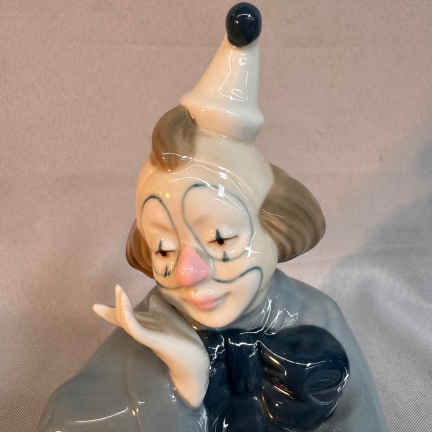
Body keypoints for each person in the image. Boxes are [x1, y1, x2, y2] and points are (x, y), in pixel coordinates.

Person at [39, 3, 387, 431]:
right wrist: (181, 388)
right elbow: (65, 419)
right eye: (164, 248)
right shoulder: (156, 325)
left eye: (220, 239)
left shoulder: (317, 318)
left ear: (276, 227)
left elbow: (361, 419)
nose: (188, 271)